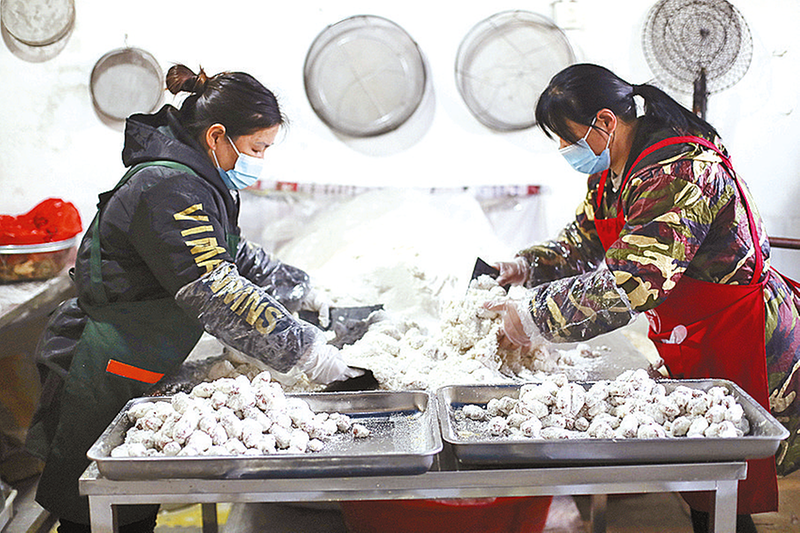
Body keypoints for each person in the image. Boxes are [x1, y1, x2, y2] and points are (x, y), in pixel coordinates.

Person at [25, 64, 359, 533]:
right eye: (258, 148)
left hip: (141, 352)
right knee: (103, 517)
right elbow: (217, 290)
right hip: (106, 364)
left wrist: (303, 288)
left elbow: (233, 253)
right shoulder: (168, 187)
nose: (260, 160)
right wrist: (306, 351)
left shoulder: (196, 179)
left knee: (135, 506)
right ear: (218, 136)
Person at [484, 63, 800, 533]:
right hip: (689, 330)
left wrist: (532, 316)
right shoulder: (612, 174)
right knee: (703, 467)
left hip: (739, 330)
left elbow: (634, 279)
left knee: (727, 473)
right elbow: (582, 241)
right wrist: (527, 265)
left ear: (606, 123)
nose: (565, 152)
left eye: (567, 140)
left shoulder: (678, 171)